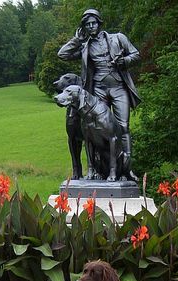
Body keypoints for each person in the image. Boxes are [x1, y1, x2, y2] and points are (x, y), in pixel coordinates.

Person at [58, 9, 141, 181]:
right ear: (84, 28)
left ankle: (126, 168)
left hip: (118, 87)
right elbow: (62, 54)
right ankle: (95, 169)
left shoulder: (118, 38)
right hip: (98, 90)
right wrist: (77, 40)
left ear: (100, 23)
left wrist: (124, 61)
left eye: (93, 23)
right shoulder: (84, 46)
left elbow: (136, 55)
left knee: (123, 127)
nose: (91, 26)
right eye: (87, 24)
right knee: (93, 130)